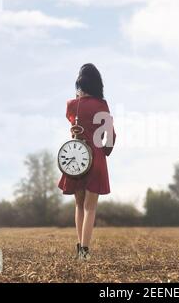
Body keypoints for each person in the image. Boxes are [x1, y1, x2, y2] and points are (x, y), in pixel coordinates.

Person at [58, 63, 116, 261]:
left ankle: (78, 249)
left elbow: (74, 126)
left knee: (79, 205)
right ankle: (84, 250)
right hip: (96, 158)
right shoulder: (102, 105)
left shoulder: (72, 105)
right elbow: (110, 136)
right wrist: (105, 151)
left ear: (79, 83)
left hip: (77, 157)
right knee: (90, 207)